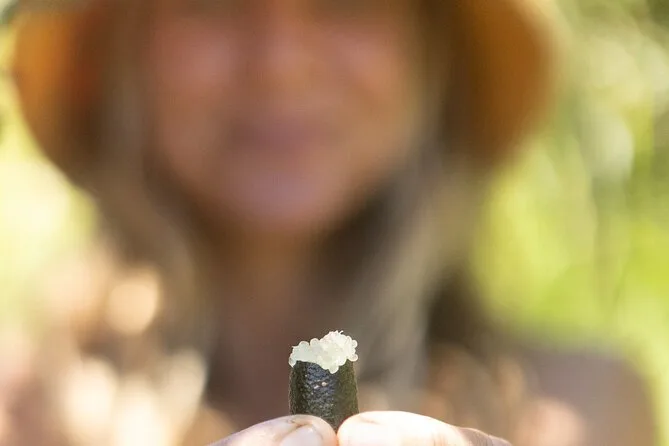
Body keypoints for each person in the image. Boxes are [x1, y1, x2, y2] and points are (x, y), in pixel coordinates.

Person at [2, 0, 657, 445]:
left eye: (347, 1)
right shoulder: (17, 413)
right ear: (123, 56)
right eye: (215, 2)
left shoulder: (584, 413)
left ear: (433, 53)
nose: (280, 64)